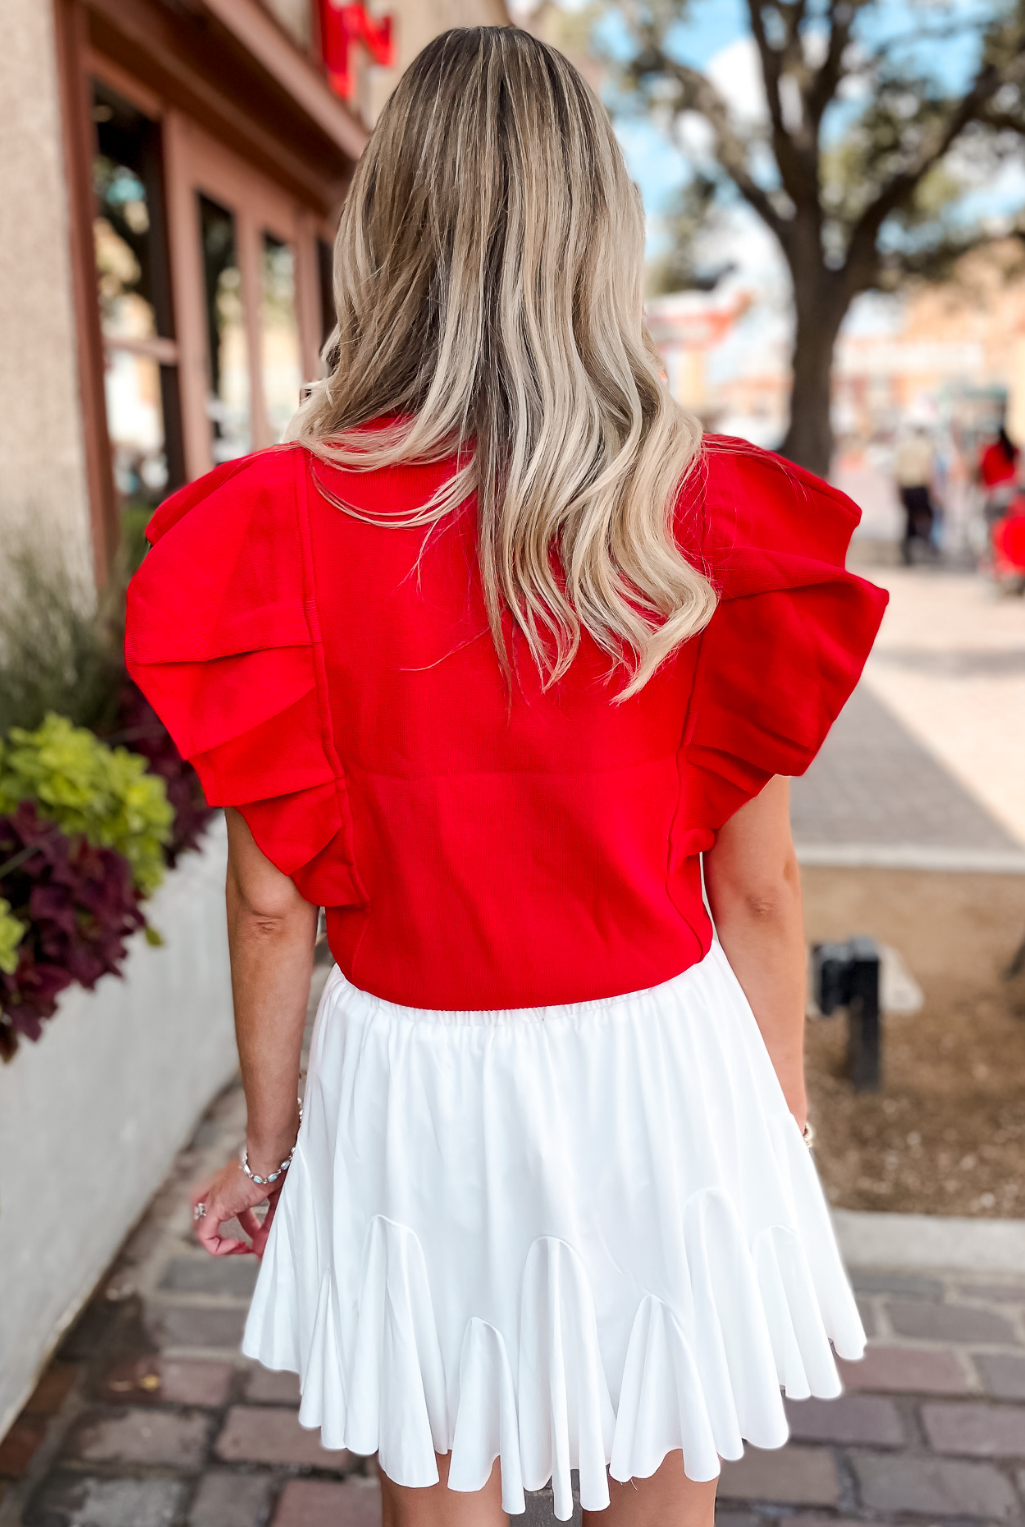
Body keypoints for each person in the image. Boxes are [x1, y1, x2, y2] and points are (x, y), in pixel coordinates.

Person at [125, 28, 887, 1527]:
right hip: (658, 1066)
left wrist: (271, 1150)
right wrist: (778, 1116)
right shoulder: (700, 511)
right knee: (661, 1494)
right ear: (598, 228)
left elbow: (275, 902)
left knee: (443, 1491)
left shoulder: (279, 519)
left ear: (391, 226)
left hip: (411, 1068)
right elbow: (757, 884)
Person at [894, 423, 936, 564]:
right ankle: (925, 547)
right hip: (920, 487)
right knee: (925, 518)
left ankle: (907, 551)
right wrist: (932, 492)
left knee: (909, 519)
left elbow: (897, 473)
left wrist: (899, 492)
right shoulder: (925, 447)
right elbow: (927, 471)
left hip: (906, 487)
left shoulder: (903, 447)